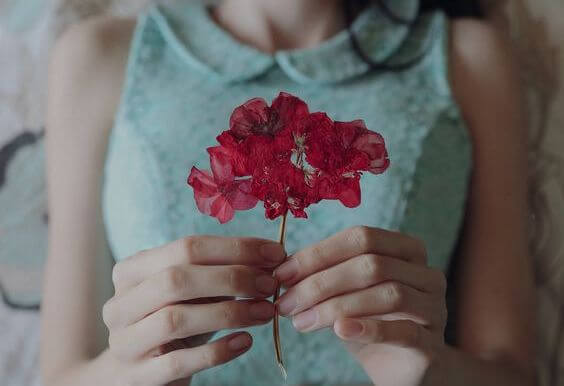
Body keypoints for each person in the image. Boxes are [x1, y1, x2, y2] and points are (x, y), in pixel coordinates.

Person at [40, 0, 536, 385]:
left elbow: (513, 372)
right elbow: (62, 372)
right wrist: (129, 374)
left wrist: (433, 372)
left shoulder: (467, 56)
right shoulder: (100, 58)